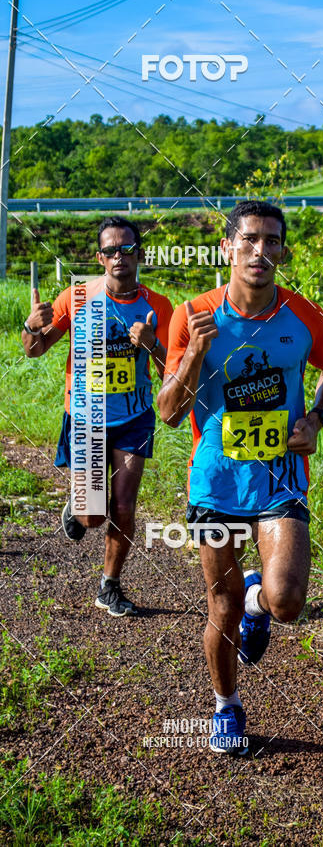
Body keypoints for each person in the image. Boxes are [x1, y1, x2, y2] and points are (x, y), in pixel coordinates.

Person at [158, 200, 323, 754]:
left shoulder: (304, 315)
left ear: (282, 252)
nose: (260, 250)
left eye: (272, 241)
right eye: (250, 239)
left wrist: (316, 417)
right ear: (228, 247)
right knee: (222, 607)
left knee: (286, 601)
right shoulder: (192, 313)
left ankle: (261, 603)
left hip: (281, 475)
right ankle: (226, 708)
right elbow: (169, 413)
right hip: (215, 481)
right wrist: (194, 352)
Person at [21, 216, 173, 617]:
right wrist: (30, 326)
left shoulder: (158, 305)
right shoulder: (78, 295)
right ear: (99, 257)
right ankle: (78, 505)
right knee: (93, 515)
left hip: (134, 416)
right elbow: (34, 350)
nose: (118, 255)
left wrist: (154, 346)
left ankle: (110, 586)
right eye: (110, 250)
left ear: (139, 254)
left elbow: (171, 372)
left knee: (124, 506)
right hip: (86, 415)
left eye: (126, 248)